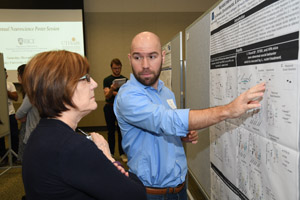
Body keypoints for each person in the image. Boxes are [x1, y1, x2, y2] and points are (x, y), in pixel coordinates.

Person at [113, 31, 266, 200]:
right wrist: (228, 110)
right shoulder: (128, 96)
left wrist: (181, 135)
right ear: (129, 59)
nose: (145, 65)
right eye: (137, 57)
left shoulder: (167, 94)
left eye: (152, 56)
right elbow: (165, 120)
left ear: (163, 57)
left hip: (179, 189)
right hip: (149, 194)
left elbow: (167, 127)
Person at [22, 50, 146, 200]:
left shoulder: (41, 134)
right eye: (86, 78)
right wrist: (108, 157)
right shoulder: (72, 147)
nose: (94, 84)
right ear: (62, 87)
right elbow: (136, 195)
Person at [103, 58, 128, 163]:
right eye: (114, 68)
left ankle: (122, 153)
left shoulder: (126, 80)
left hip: (121, 108)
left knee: (121, 131)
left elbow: (126, 95)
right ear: (111, 68)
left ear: (121, 67)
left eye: (118, 68)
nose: (117, 70)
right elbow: (107, 95)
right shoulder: (107, 80)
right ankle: (111, 153)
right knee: (111, 131)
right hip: (109, 107)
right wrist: (112, 89)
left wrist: (115, 93)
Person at [15, 64, 40, 163]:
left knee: (30, 160)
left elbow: (20, 112)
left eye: (18, 74)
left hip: (33, 129)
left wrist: (19, 116)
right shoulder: (37, 88)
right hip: (37, 127)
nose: (17, 77)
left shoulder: (31, 91)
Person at [0, 68, 19, 163]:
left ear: (6, 75)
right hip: (1, 116)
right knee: (1, 137)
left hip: (10, 114)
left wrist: (4, 89)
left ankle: (15, 156)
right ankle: (4, 158)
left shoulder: (10, 84)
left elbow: (16, 97)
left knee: (14, 135)